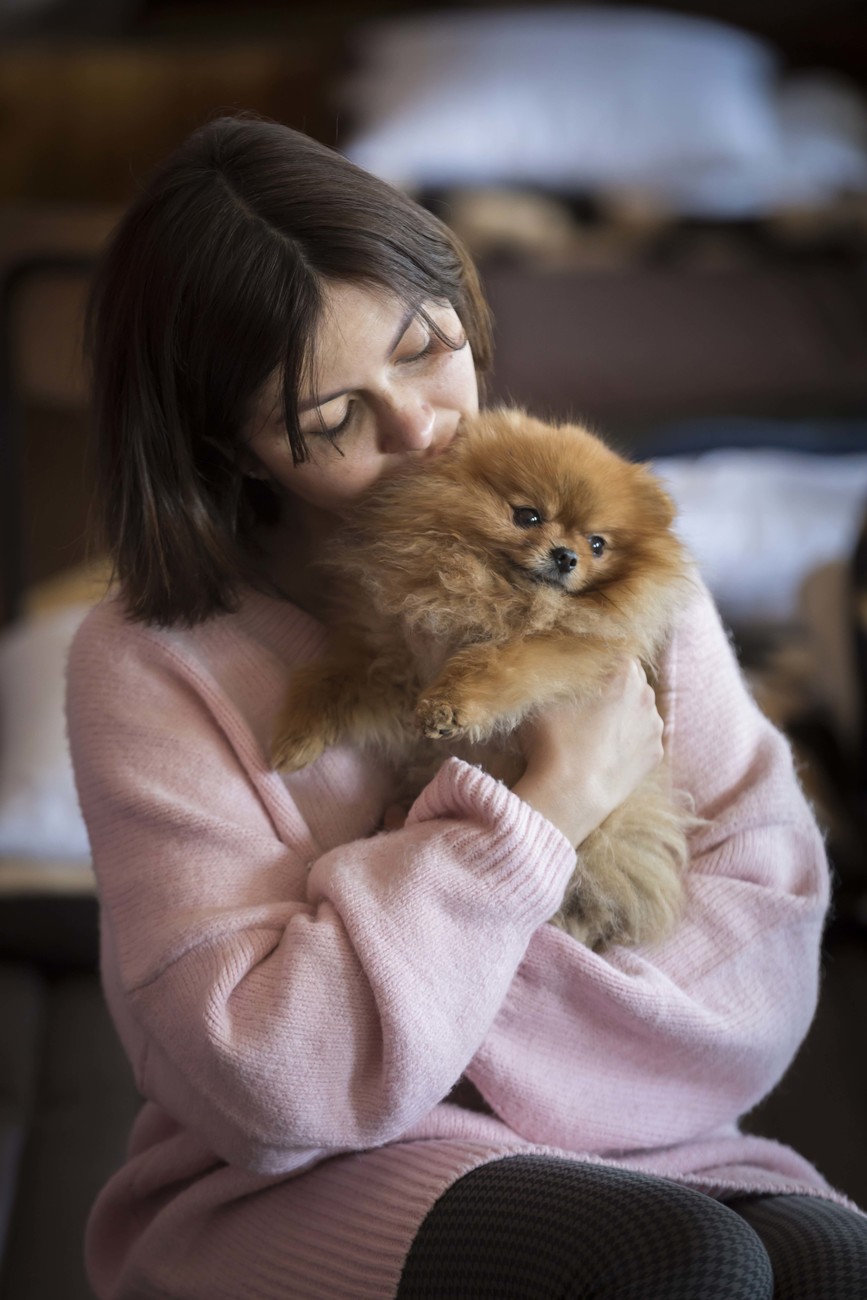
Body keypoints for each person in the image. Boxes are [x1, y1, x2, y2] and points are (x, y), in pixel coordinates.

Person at [66, 114, 867, 1300]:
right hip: (298, 1184)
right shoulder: (153, 663)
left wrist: (443, 1016)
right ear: (228, 451)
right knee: (676, 1261)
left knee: (829, 1258)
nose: (420, 428)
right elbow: (271, 1084)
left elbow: (764, 943)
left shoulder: (611, 558)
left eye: (427, 347)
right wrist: (548, 803)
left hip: (646, 1142)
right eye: (328, 420)